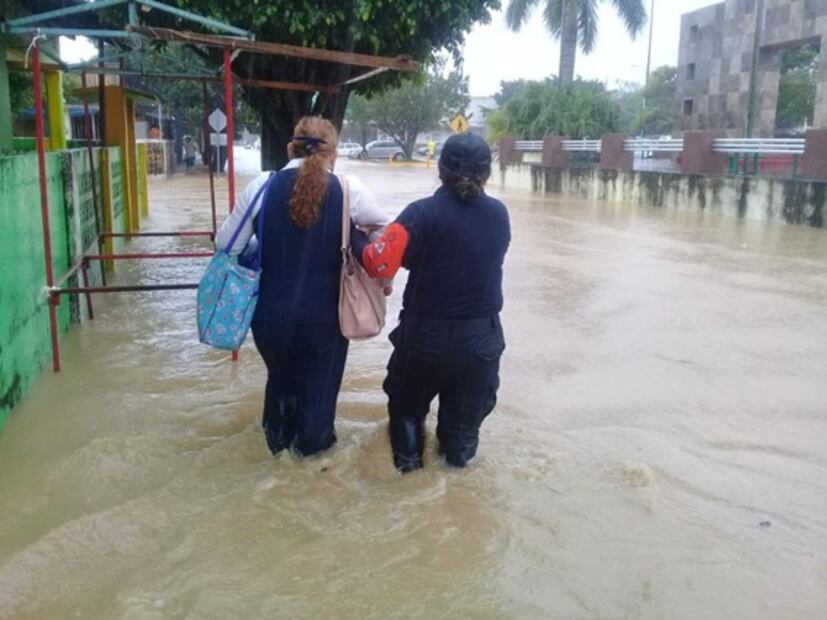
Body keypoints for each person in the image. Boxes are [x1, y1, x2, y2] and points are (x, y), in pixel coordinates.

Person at [215, 116, 389, 457]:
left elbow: (227, 246)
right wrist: (355, 245)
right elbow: (384, 240)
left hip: (269, 318)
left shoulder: (262, 185)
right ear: (333, 153)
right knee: (318, 397)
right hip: (325, 320)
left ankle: (274, 452)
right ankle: (312, 468)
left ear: (289, 147)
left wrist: (259, 247)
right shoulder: (349, 188)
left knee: (280, 383)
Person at [353, 133, 510, 473]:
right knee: (463, 433)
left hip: (426, 340)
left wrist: (354, 235)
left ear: (440, 170)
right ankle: (455, 494)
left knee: (407, 413)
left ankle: (409, 482)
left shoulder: (420, 214)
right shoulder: (500, 215)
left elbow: (379, 263)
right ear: (488, 173)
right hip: (481, 343)